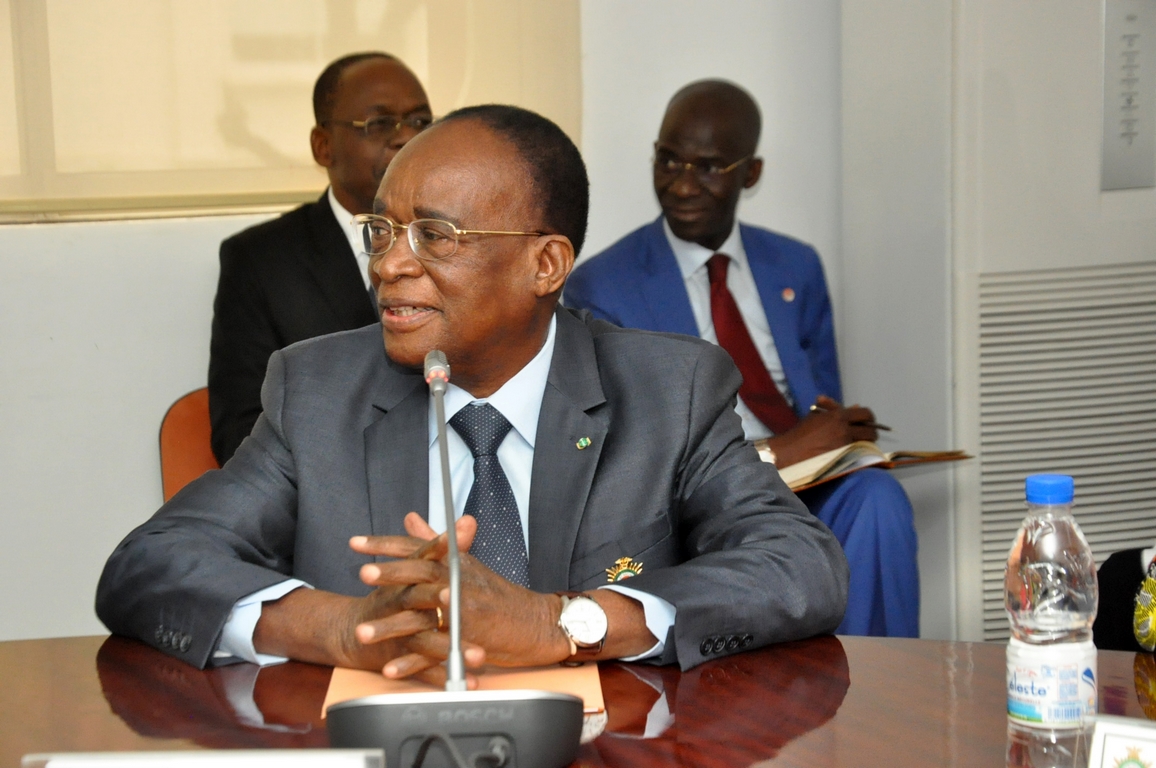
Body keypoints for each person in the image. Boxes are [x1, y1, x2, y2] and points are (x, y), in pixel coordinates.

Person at [96, 105, 849, 681]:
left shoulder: (668, 390)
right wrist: (345, 628)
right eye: (382, 231)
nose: (389, 265)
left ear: (546, 264)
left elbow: (799, 564)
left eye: (434, 236)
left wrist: (566, 623)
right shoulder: (317, 390)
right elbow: (151, 565)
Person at [565, 79, 919, 637]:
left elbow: (820, 398)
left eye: (708, 167)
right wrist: (778, 453)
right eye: (668, 160)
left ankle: (882, 678)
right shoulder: (603, 286)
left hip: (803, 481)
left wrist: (840, 434)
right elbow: (631, 461)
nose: (682, 184)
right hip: (700, 493)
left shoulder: (795, 267)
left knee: (878, 499)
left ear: (749, 174)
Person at [208, 52, 433, 464]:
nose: (406, 138)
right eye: (380, 123)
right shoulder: (259, 261)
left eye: (420, 122)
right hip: (330, 487)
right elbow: (241, 432)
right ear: (323, 146)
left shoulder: (458, 242)